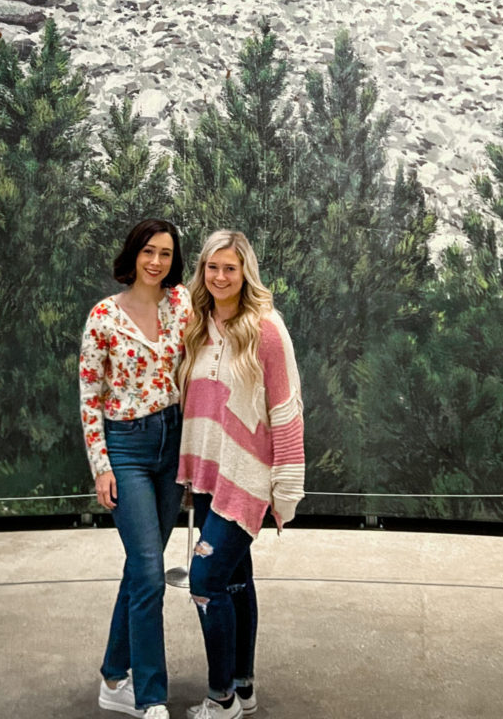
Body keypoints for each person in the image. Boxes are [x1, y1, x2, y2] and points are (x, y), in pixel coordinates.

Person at [177, 230, 305, 718]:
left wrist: (286, 486)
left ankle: (221, 699)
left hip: (247, 478)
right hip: (210, 477)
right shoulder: (197, 322)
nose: (220, 276)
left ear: (245, 271)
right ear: (203, 271)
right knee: (234, 582)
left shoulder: (266, 328)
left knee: (205, 581)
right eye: (213, 267)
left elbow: (286, 408)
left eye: (230, 268)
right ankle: (244, 687)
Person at [79, 218, 192, 719]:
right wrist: (101, 465)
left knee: (140, 569)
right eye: (149, 251)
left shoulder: (182, 304)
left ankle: (112, 675)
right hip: (126, 447)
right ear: (133, 255)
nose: (156, 262)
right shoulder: (103, 317)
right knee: (149, 574)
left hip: (173, 442)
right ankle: (151, 698)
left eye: (166, 254)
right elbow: (89, 396)